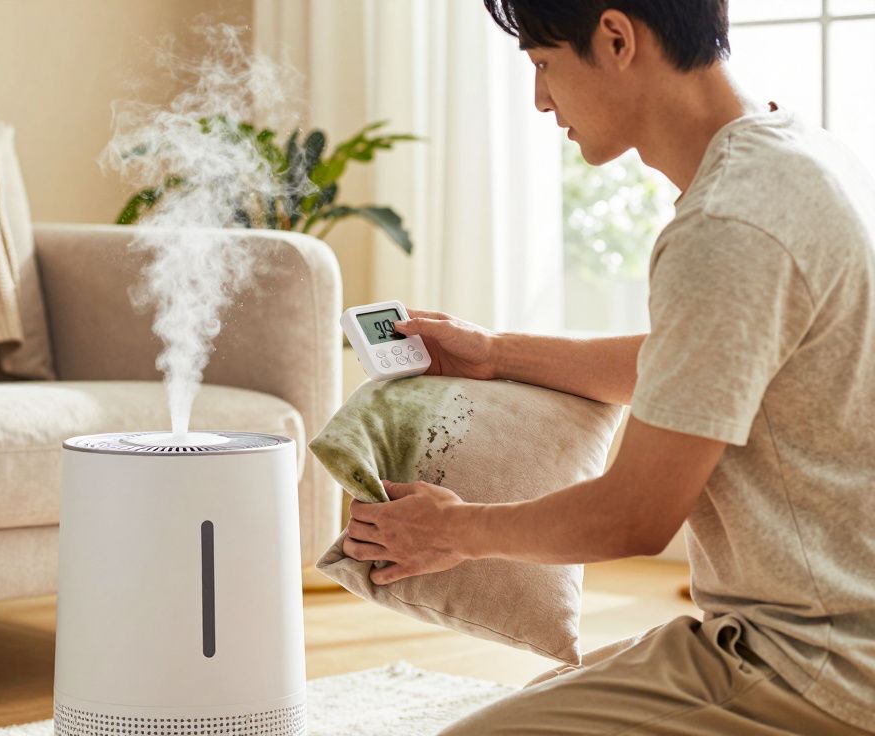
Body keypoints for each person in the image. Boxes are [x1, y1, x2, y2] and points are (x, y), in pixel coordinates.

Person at [340, 2, 875, 733]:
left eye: (543, 64)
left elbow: (635, 515)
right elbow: (700, 366)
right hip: (842, 638)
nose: (540, 98)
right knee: (540, 699)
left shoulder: (729, 224)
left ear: (616, 38)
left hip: (811, 666)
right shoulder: (799, 154)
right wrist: (497, 354)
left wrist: (451, 530)